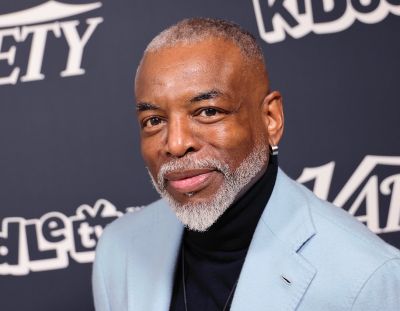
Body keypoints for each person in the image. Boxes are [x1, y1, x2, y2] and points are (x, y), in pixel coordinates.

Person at [92, 18, 400, 311]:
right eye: (154, 120)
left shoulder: (367, 276)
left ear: (270, 119)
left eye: (208, 112)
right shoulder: (118, 249)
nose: (175, 144)